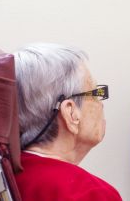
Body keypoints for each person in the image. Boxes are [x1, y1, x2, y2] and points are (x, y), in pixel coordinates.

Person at [13, 43, 122, 201]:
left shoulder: (7, 175)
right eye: (96, 93)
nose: (101, 103)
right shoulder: (91, 194)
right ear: (71, 112)